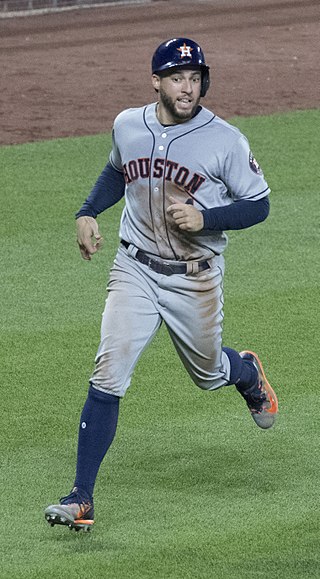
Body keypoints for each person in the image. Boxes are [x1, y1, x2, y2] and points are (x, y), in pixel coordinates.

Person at [45, 37, 278, 532]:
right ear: (157, 81)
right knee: (109, 371)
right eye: (177, 78)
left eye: (194, 78)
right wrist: (87, 212)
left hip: (195, 280)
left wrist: (206, 216)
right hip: (135, 268)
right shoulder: (128, 124)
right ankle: (81, 497)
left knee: (209, 374)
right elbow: (116, 171)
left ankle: (247, 373)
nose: (187, 88)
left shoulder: (225, 139)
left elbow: (259, 203)